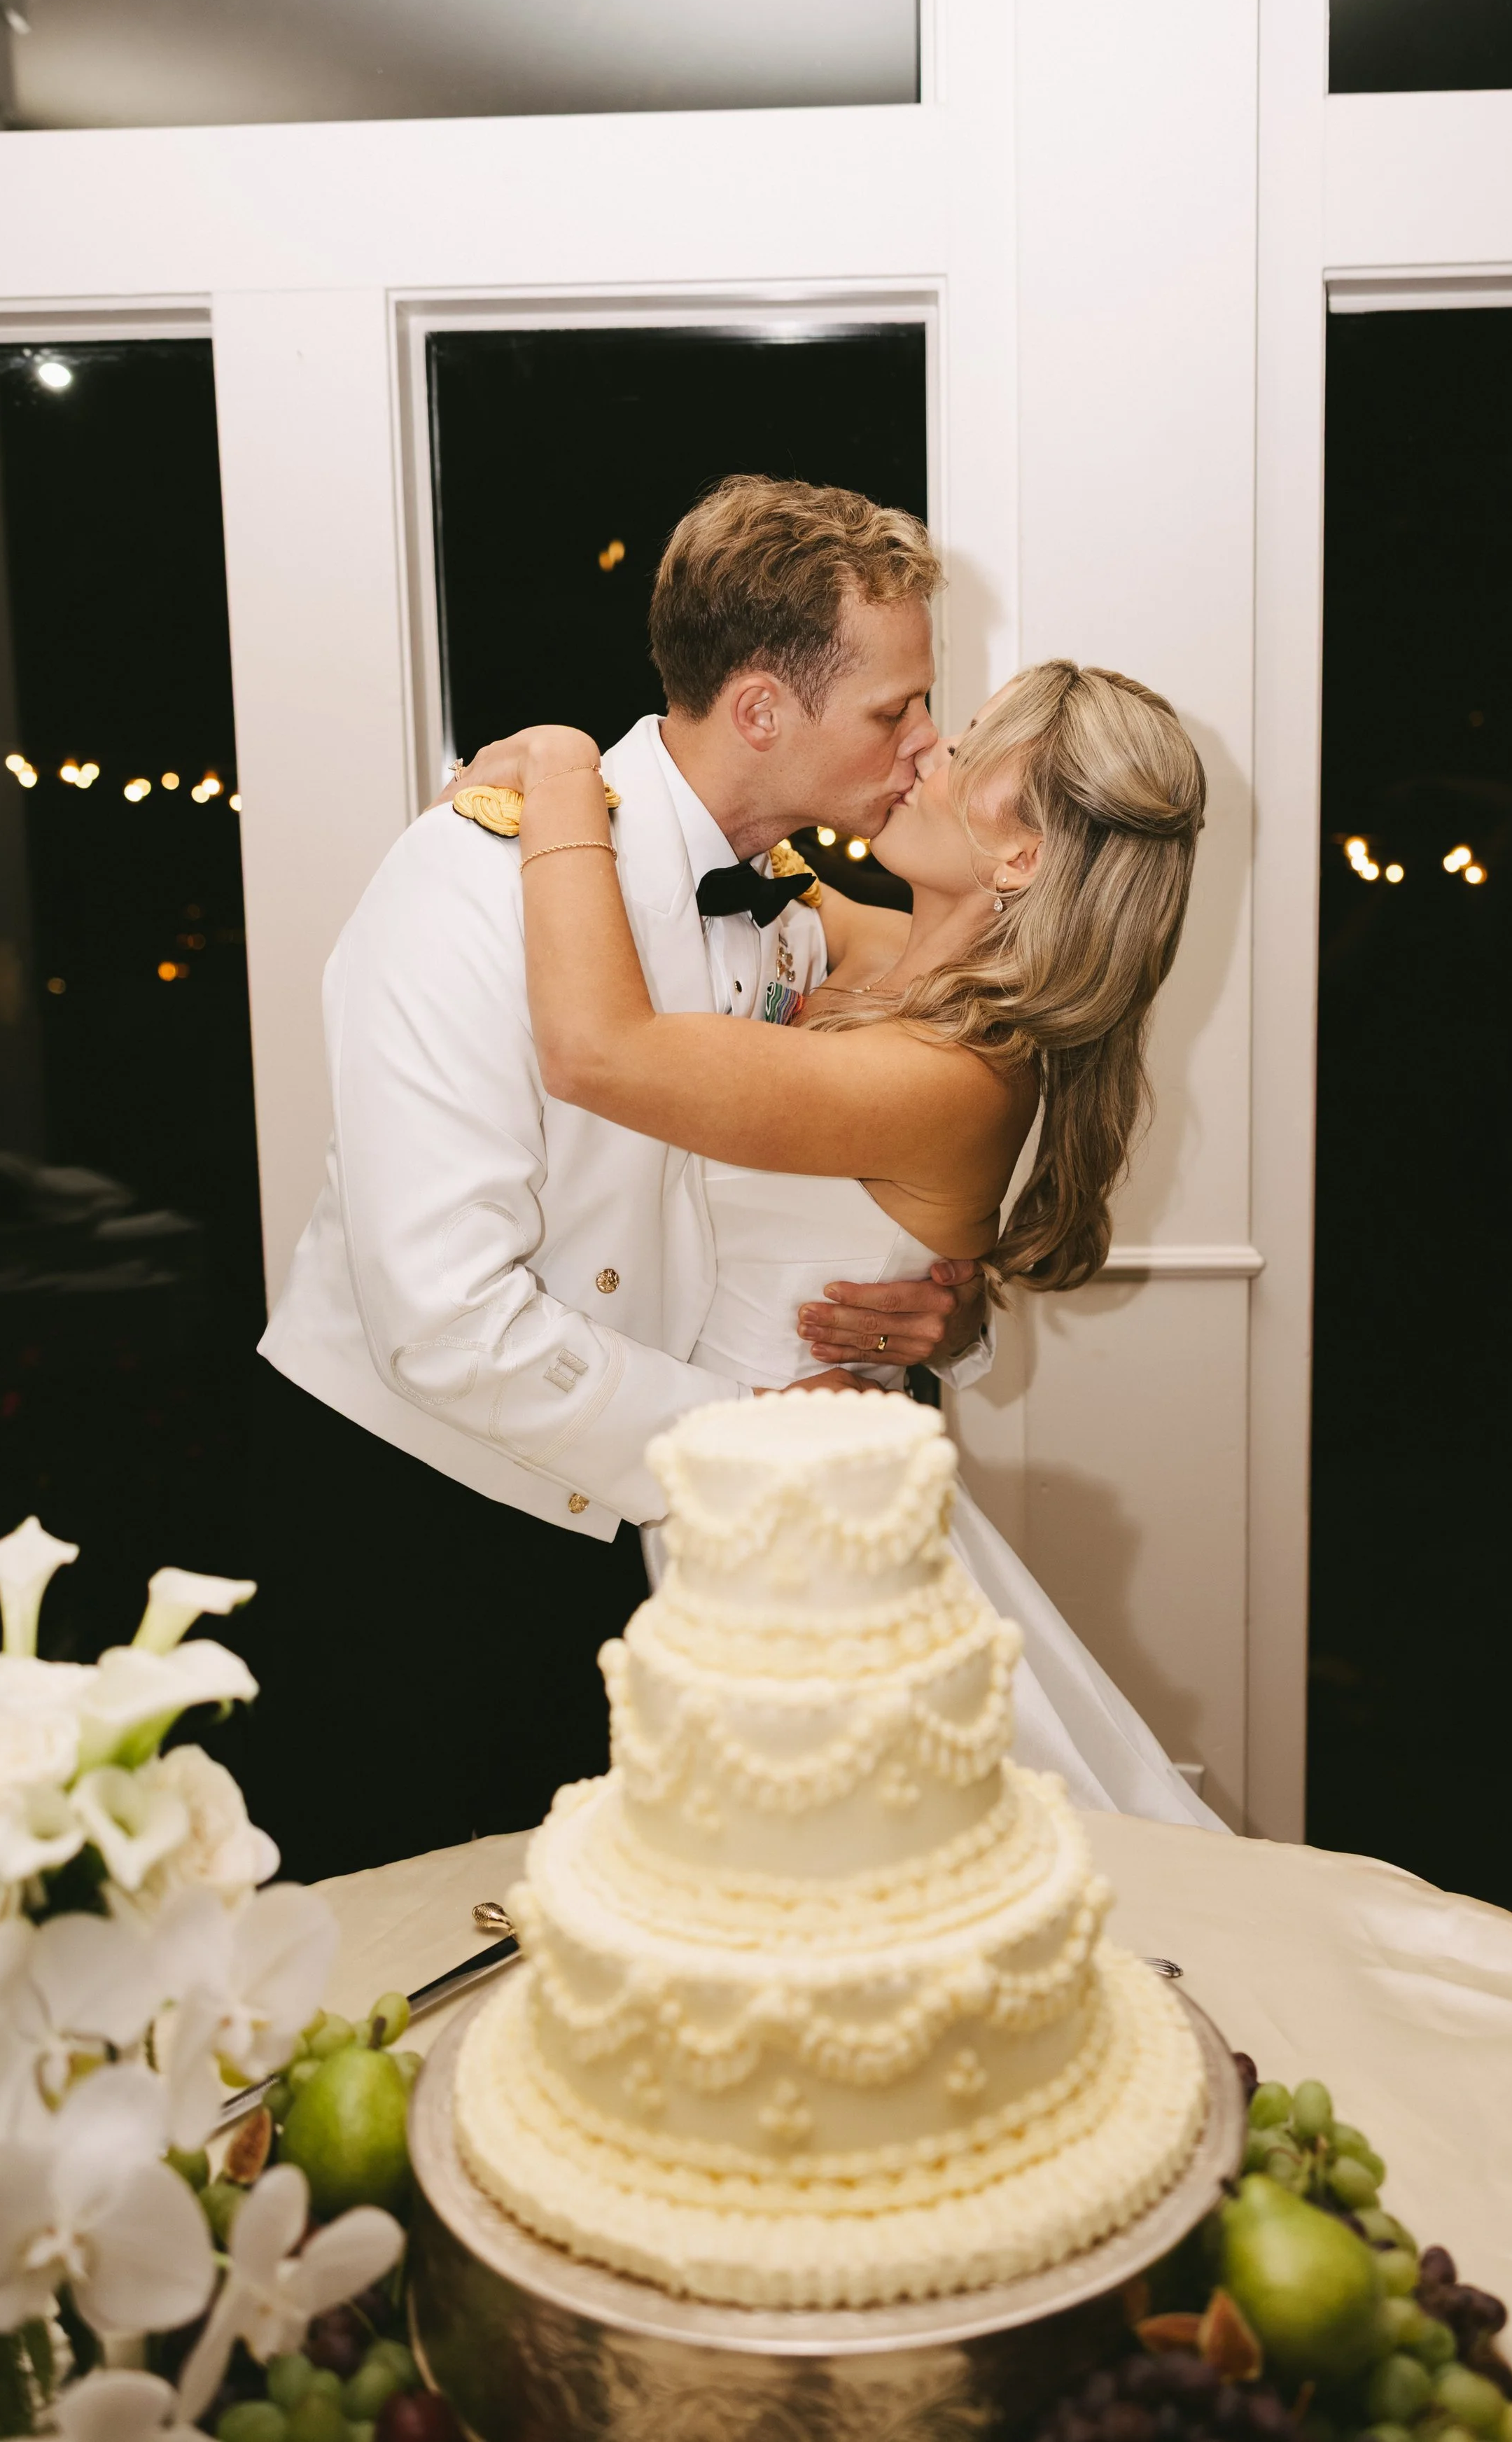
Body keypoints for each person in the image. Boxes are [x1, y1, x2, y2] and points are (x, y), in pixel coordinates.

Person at [237, 479, 993, 1880]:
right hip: (419, 1510)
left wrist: (943, 1309)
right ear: (762, 710)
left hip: (635, 1506)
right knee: (412, 1959)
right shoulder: (472, 881)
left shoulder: (786, 909)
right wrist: (752, 1436)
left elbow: (891, 1138)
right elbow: (442, 1322)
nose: (924, 738)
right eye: (894, 709)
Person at [445, 634, 1224, 1831]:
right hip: (684, 1466)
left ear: (1020, 851)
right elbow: (712, 854)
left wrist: (557, 771)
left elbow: (603, 1050)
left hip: (789, 1528)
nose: (926, 747)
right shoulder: (874, 956)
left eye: (967, 745)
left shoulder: (955, 1073)